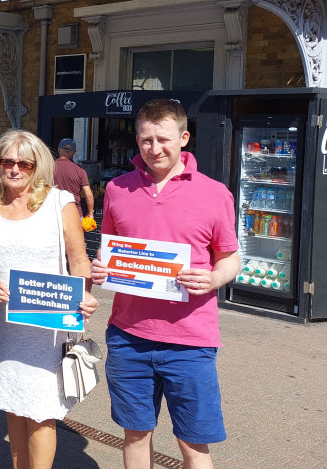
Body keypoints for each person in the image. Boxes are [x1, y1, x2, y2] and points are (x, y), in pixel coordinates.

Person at [90, 99, 239, 469]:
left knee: (192, 444)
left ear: (184, 138)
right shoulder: (117, 189)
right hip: (128, 337)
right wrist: (100, 270)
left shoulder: (215, 193)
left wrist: (214, 277)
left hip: (190, 341)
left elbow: (230, 256)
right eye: (145, 140)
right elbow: (111, 253)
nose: (154, 149)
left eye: (163, 139)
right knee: (136, 435)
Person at [0, 129, 99, 469]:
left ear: (38, 166)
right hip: (7, 324)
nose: (15, 169)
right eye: (7, 161)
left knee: (42, 410)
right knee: (13, 405)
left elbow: (78, 260)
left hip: (49, 322)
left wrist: (84, 294)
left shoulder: (59, 203)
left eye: (24, 164)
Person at [54, 138, 93, 218]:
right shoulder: (80, 170)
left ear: (58, 149)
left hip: (53, 212)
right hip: (74, 213)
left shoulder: (47, 167)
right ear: (74, 152)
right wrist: (90, 212)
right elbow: (88, 194)